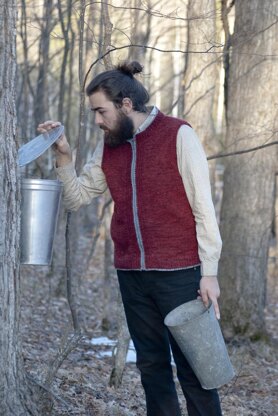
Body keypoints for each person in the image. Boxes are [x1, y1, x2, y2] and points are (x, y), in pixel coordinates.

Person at [38, 61, 223, 416]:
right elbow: (77, 197)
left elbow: (204, 207)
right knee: (152, 368)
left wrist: (210, 272)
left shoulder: (178, 134)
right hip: (132, 275)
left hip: (181, 273)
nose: (96, 120)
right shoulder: (109, 146)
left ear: (125, 104)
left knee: (196, 369)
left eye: (100, 111)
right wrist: (64, 156)